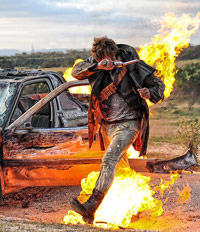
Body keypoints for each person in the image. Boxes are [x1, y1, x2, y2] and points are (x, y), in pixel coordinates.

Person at [69, 36, 165, 224]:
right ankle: (136, 207)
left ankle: (90, 207)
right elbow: (76, 72)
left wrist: (149, 93)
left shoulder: (132, 64)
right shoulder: (95, 64)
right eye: (103, 59)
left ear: (115, 53)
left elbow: (158, 85)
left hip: (128, 124)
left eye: (110, 58)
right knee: (121, 169)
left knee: (109, 160)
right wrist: (98, 67)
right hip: (107, 126)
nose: (109, 62)